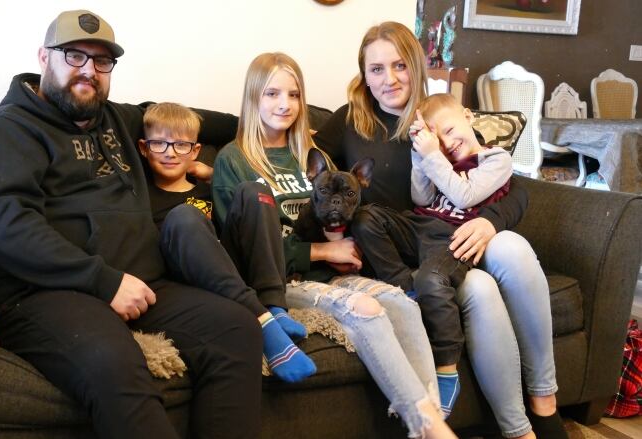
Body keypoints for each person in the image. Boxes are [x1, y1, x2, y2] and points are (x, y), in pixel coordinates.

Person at [0, 10, 262, 439]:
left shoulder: (117, 120)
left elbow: (194, 121)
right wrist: (103, 281)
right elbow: (7, 225)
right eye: (74, 56)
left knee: (236, 329)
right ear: (44, 57)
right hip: (45, 295)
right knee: (115, 361)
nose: (88, 71)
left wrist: (256, 129)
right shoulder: (3, 133)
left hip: (144, 284)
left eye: (102, 62)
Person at [313, 21, 568, 439]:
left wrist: (491, 221)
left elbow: (510, 184)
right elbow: (290, 154)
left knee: (513, 247)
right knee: (482, 290)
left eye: (399, 65)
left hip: (455, 236)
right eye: (376, 69)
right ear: (364, 74)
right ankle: (518, 429)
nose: (389, 78)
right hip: (399, 250)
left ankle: (545, 400)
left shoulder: (438, 118)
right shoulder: (349, 120)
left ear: (415, 65)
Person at [212, 51, 457, 439]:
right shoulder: (234, 160)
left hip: (335, 273)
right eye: (272, 93)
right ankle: (432, 431)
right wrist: (321, 252)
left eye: (293, 95)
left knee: (405, 306)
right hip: (281, 279)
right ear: (253, 98)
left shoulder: (312, 157)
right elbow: (235, 246)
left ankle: (435, 421)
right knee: (367, 309)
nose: (284, 104)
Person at [357, 93, 514, 416]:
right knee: (366, 217)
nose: (447, 142)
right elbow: (421, 195)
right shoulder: (434, 156)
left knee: (433, 278)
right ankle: (405, 290)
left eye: (450, 129)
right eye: (437, 138)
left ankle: (446, 369)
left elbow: (464, 196)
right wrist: (421, 155)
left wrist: (433, 155)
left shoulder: (496, 159)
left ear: (468, 117)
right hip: (419, 225)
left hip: (455, 236)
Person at [139, 102, 316, 382]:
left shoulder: (210, 188)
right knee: (186, 216)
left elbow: (241, 231)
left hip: (228, 272)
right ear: (144, 148)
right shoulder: (138, 194)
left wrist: (214, 175)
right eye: (160, 144)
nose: (171, 152)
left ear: (196, 150)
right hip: (185, 279)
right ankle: (263, 323)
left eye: (181, 145)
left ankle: (274, 306)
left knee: (255, 190)